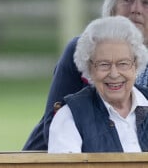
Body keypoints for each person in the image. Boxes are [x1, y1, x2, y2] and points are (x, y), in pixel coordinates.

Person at [24, 0, 148, 150]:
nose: (136, 9)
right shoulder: (83, 50)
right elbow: (54, 123)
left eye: (147, 2)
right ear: (112, 8)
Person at [48, 16, 148, 152]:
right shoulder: (70, 116)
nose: (114, 74)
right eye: (104, 64)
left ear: (135, 65)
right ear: (89, 68)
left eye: (123, 64)